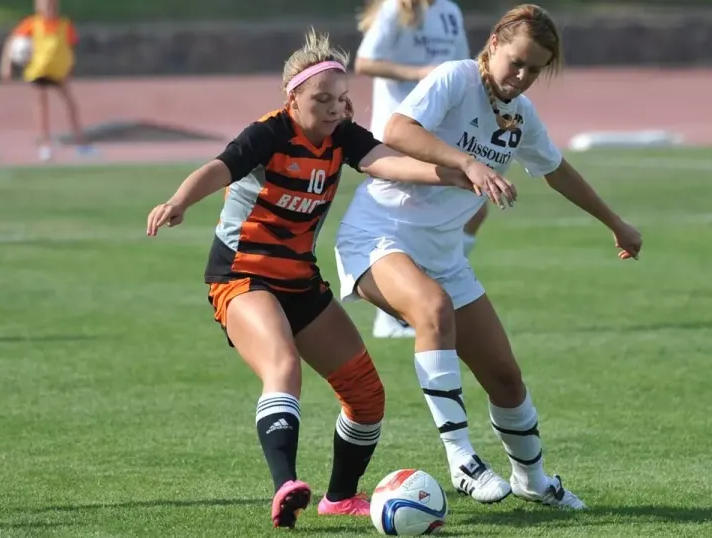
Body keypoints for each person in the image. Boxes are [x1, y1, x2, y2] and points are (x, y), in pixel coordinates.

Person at [144, 29, 509, 529]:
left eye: (342, 99)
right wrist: (179, 201)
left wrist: (459, 171)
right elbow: (219, 168)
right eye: (323, 99)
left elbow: (390, 164)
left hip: (300, 280)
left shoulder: (342, 137)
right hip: (242, 276)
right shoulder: (269, 133)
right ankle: (285, 487)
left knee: (366, 396)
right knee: (283, 365)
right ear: (292, 98)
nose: (336, 108)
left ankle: (339, 497)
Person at [334, 3, 643, 510]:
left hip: (444, 255)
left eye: (536, 69)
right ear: (495, 42)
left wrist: (616, 223)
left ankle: (534, 478)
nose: (522, 77)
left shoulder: (519, 115)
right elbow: (395, 130)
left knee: (505, 376)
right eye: (517, 62)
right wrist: (468, 162)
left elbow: (557, 170)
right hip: (378, 236)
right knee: (432, 309)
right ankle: (462, 459)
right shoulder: (455, 77)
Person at [354, 0, 488, 339]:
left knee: (474, 209)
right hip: (399, 130)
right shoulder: (394, 9)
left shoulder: (450, 11)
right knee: (406, 223)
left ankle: (432, 292)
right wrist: (417, 73)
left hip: (438, 129)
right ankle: (392, 313)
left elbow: (464, 66)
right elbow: (364, 62)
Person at [0, 0, 94, 162]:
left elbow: (69, 47)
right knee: (42, 106)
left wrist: (70, 68)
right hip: (39, 70)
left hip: (58, 72)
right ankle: (45, 144)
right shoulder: (31, 24)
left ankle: (80, 142)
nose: (48, 8)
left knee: (71, 104)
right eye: (44, 5)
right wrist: (6, 66)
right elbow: (11, 42)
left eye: (51, 5)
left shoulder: (64, 25)